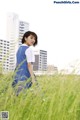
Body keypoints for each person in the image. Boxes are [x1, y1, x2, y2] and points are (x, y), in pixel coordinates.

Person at [12, 31, 38, 95]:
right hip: (25, 75)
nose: (33, 40)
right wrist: (33, 78)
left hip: (17, 75)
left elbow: (18, 63)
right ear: (25, 38)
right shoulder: (29, 50)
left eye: (34, 39)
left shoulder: (19, 49)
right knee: (28, 96)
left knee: (17, 96)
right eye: (31, 38)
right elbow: (29, 65)